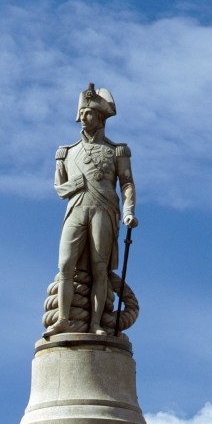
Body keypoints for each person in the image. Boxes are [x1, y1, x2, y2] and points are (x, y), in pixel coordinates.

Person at [52, 84, 137, 335]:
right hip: (76, 208)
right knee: (66, 264)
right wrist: (74, 185)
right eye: (81, 113)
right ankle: (63, 319)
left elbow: (127, 183)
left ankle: (97, 323)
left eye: (87, 113)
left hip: (104, 209)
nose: (82, 119)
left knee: (101, 269)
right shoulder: (66, 152)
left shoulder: (116, 151)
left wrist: (129, 211)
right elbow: (59, 188)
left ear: (100, 117)